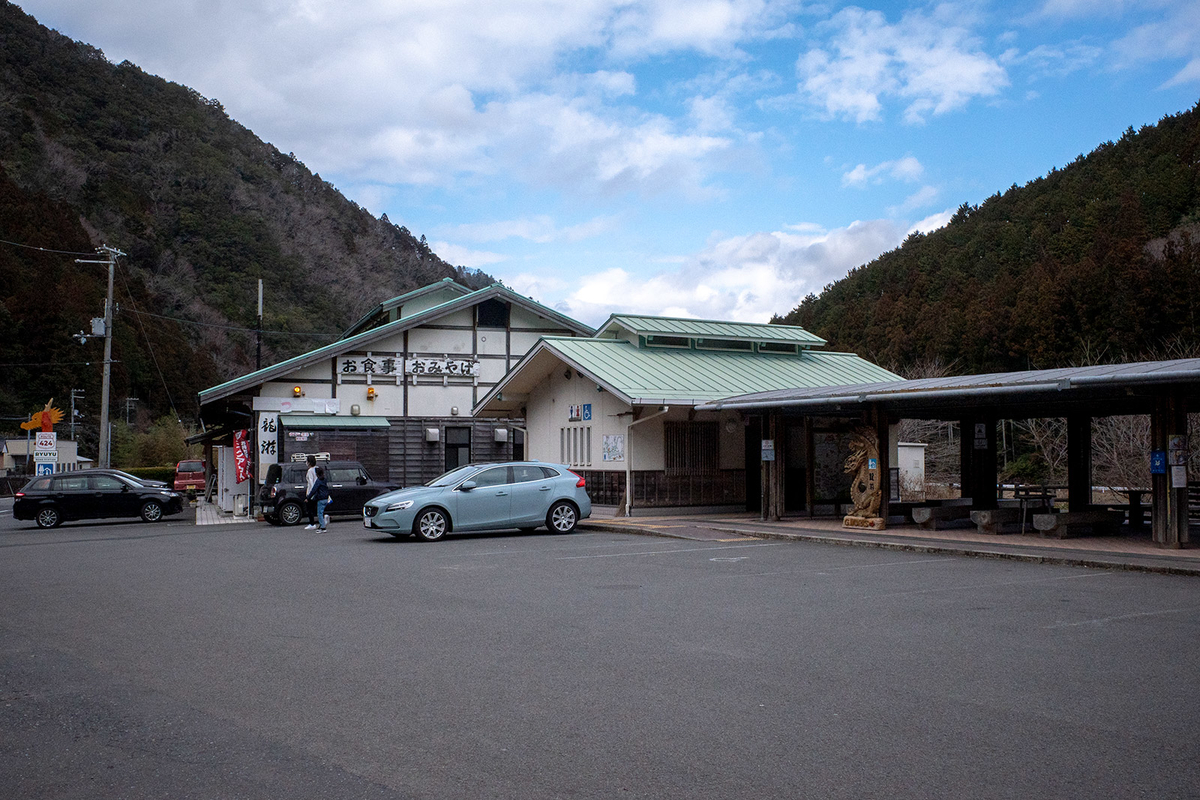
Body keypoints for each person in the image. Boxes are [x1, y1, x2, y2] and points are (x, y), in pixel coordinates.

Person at [306, 466, 331, 533]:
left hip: (320, 498)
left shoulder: (318, 481)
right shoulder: (324, 480)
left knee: (319, 513)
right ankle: (323, 521)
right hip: (326, 498)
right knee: (321, 511)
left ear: (317, 474)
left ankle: (323, 527)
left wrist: (308, 497)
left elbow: (314, 490)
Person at [303, 455, 319, 529]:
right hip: (319, 491)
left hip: (311, 492)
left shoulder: (310, 471)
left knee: (310, 509)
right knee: (318, 508)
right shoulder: (317, 468)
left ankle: (312, 524)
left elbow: (311, 482)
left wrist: (311, 494)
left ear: (309, 462)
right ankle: (323, 520)